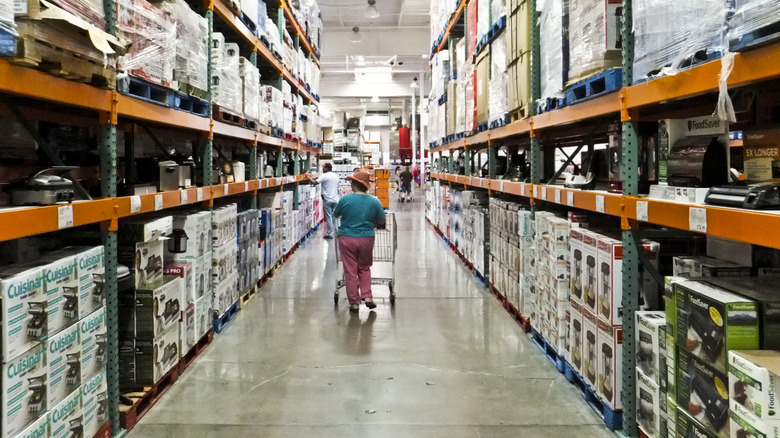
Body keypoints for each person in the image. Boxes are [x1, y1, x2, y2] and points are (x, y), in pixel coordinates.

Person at [334, 171, 386, 313]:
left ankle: (354, 303)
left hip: (347, 238)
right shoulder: (374, 201)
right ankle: (367, 296)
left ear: (354, 184)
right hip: (366, 238)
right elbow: (381, 220)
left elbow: (335, 214)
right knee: (364, 267)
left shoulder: (345, 199)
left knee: (350, 270)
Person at [307, 163, 339, 239]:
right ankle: (338, 233)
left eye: (323, 167)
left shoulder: (324, 176)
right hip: (335, 199)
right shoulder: (335, 176)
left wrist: (308, 177)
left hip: (327, 199)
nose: (322, 169)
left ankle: (330, 234)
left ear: (327, 168)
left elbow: (314, 182)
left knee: (329, 217)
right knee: (336, 217)